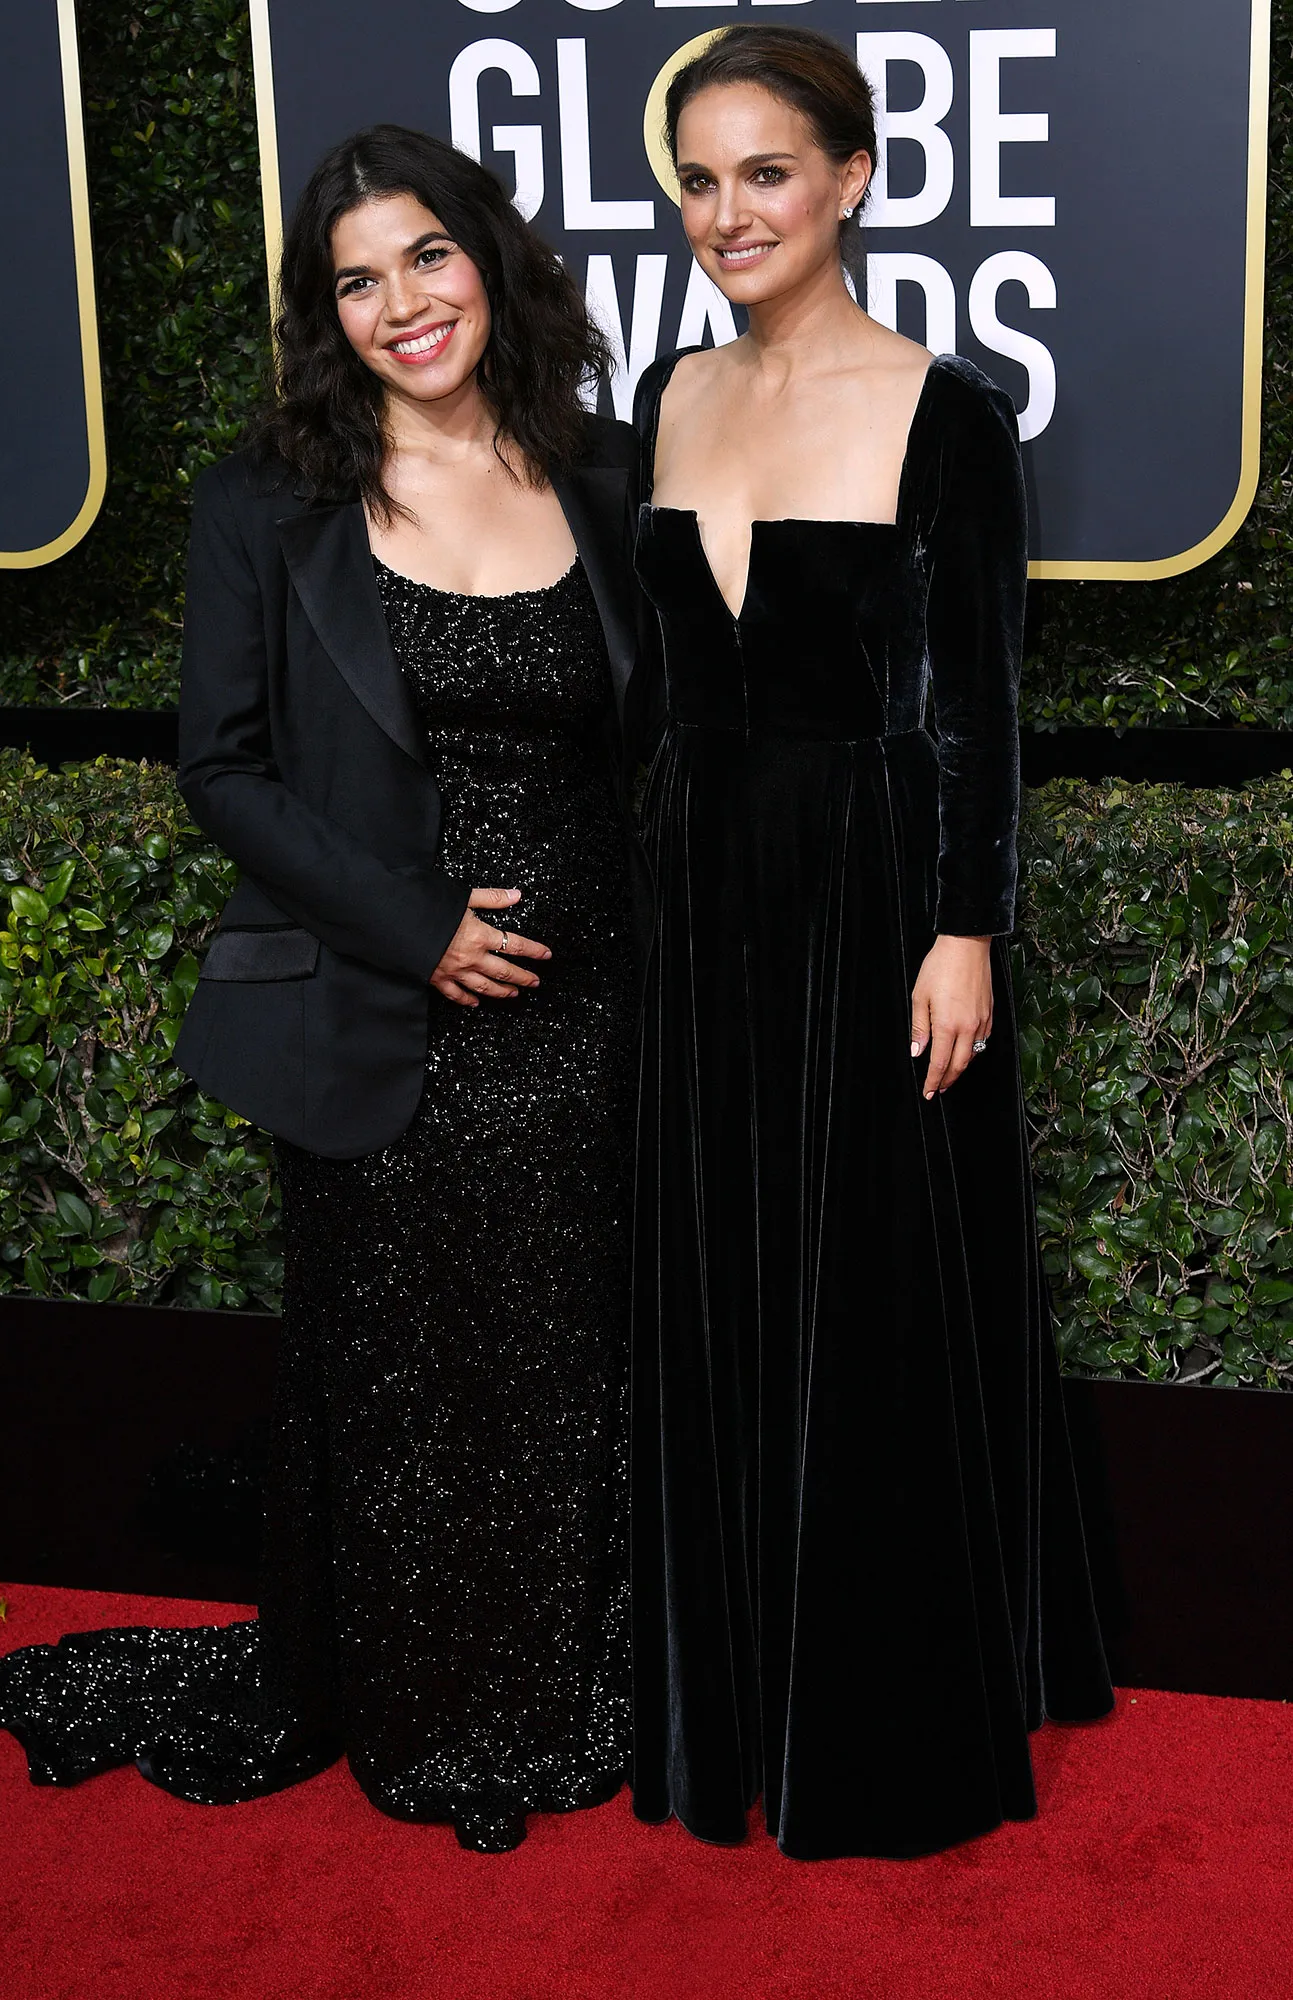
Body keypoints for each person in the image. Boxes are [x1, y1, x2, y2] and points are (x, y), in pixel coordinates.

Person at [0, 125, 648, 1855]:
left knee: (571, 1368)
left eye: (427, 255)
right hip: (385, 1013)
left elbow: (667, 744)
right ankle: (431, 1715)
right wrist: (417, 928)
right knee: (407, 1379)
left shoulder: (607, 468)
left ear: (488, 259)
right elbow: (224, 769)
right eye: (356, 280)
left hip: (600, 1015)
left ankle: (573, 1695)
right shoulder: (263, 501)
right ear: (322, 313)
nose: (402, 302)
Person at [629, 25, 1114, 1862]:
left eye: (766, 172)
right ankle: (733, 1678)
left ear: (850, 179)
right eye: (699, 179)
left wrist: (965, 925)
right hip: (696, 899)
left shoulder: (947, 414)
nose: (728, 212)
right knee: (721, 1266)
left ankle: (885, 1710)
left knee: (881, 1288)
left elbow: (977, 705)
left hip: (874, 897)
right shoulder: (667, 395)